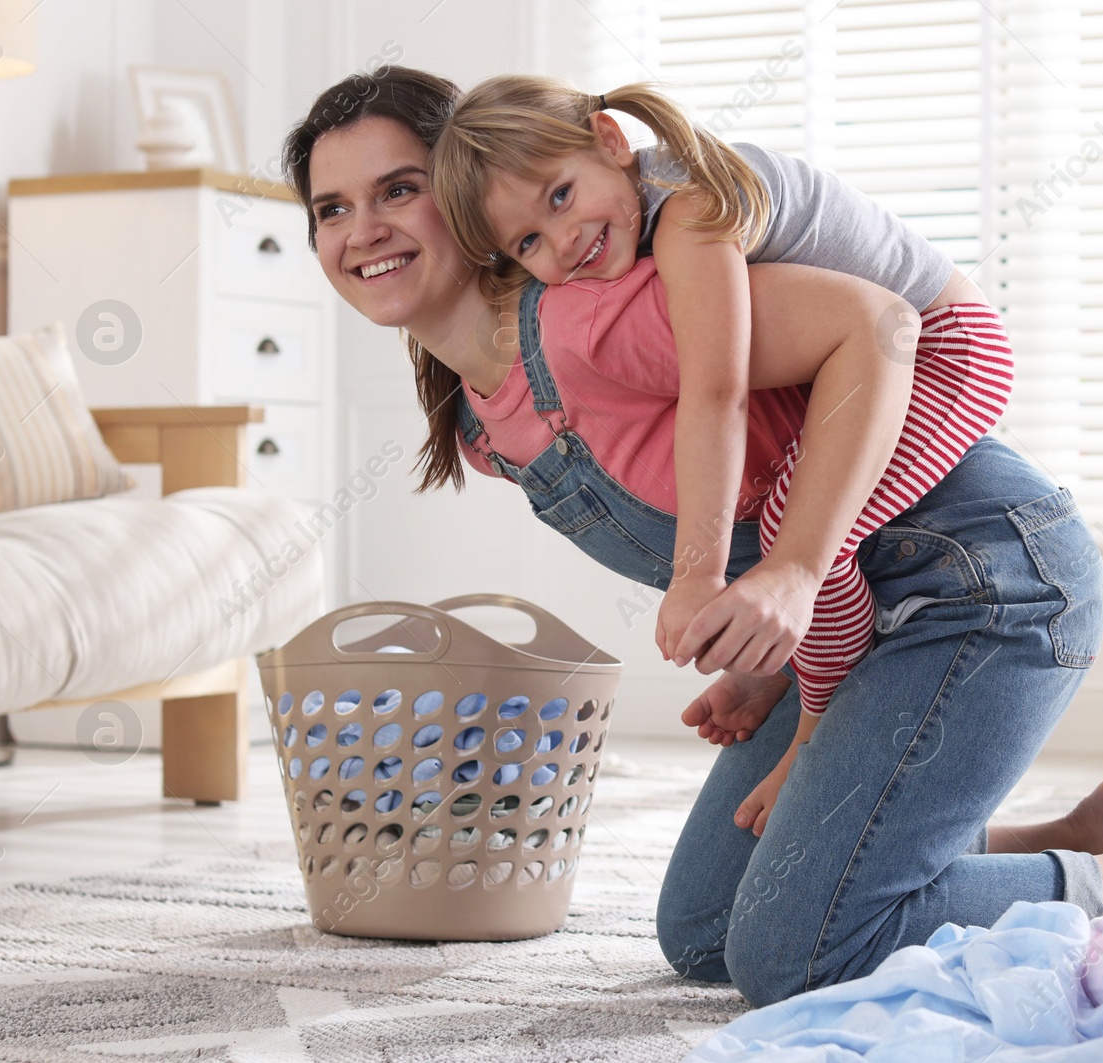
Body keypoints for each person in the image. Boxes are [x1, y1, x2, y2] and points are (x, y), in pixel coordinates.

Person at [283, 64, 1103, 1010]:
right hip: (858, 620)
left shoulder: (611, 310)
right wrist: (773, 661)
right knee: (706, 927)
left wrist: (791, 573)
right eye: (332, 208)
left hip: (985, 584)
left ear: (462, 190)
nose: (362, 229)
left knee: (795, 949)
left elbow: (883, 326)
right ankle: (1082, 832)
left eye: (397, 189)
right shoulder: (483, 422)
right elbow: (765, 490)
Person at [431, 76, 1016, 832]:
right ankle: (782, 669)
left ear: (611, 141)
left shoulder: (691, 209)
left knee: (794, 539)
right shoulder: (635, 220)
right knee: (790, 527)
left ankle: (813, 734)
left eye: (561, 196)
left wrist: (697, 574)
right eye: (528, 244)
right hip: (875, 359)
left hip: (945, 348)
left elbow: (716, 394)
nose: (562, 241)